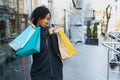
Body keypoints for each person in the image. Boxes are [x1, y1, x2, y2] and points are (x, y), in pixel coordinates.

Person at [30, 6, 63, 80]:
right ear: (38, 18)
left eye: (48, 19)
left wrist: (52, 35)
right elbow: (26, 49)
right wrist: (32, 31)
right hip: (39, 73)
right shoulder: (33, 33)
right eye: (43, 18)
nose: (46, 21)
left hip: (55, 72)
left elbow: (57, 51)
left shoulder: (50, 31)